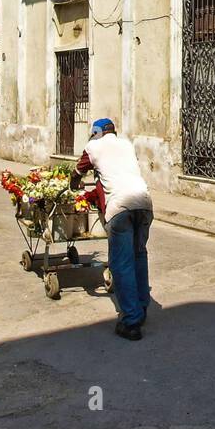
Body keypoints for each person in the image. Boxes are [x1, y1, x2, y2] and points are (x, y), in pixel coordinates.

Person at [73, 118, 153, 341]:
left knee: (122, 264)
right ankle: (141, 307)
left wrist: (73, 183)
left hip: (120, 208)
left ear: (96, 133)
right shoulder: (126, 144)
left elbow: (78, 170)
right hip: (144, 204)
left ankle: (131, 321)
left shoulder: (93, 147)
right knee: (139, 256)